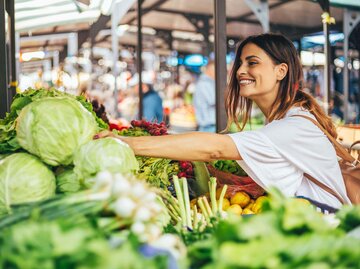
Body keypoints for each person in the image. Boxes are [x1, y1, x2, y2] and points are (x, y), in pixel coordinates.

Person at [96, 33, 351, 210]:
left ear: (280, 71)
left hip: (327, 234)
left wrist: (125, 142)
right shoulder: (288, 119)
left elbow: (215, 148)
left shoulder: (294, 126)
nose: (240, 71)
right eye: (239, 63)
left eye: (252, 63)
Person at [193, 60, 216, 132]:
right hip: (208, 127)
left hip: (208, 126)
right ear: (210, 69)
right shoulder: (205, 83)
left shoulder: (205, 82)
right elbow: (215, 100)